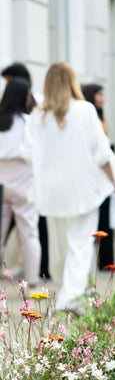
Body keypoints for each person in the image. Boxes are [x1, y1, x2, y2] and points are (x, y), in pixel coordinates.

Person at [30, 63, 115, 314]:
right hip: (82, 188)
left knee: (60, 246)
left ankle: (66, 289)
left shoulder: (38, 116)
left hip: (51, 192)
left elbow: (28, 155)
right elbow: (101, 153)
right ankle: (70, 296)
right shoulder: (85, 110)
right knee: (80, 244)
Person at [0, 78, 41, 288]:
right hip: (23, 181)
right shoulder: (28, 122)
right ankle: (32, 279)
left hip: (1, 180)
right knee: (29, 232)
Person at [82, 83, 114, 270]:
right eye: (100, 94)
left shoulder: (99, 116)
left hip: (101, 173)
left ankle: (106, 262)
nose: (103, 98)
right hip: (94, 174)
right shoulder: (89, 117)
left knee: (104, 221)